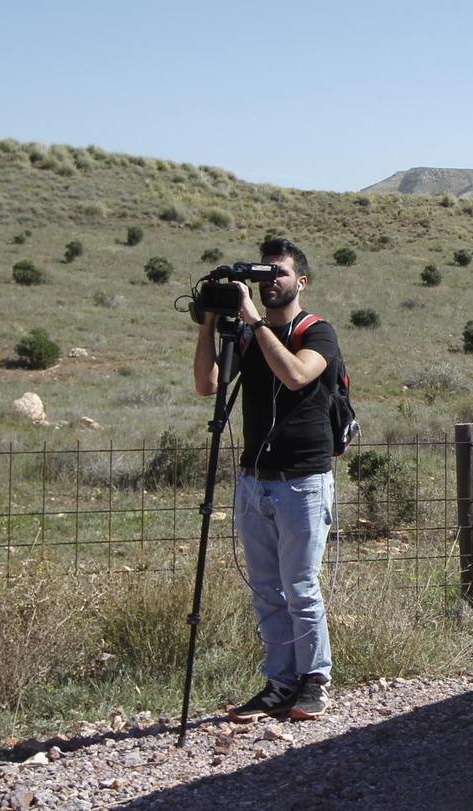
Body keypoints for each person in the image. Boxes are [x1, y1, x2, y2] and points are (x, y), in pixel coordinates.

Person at [194, 237, 339, 722]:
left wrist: (255, 322)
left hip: (304, 480)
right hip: (254, 479)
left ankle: (314, 680)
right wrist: (210, 323)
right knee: (264, 589)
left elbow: (297, 375)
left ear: (302, 282)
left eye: (280, 273)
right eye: (264, 273)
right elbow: (207, 385)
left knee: (300, 586)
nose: (270, 281)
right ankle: (279, 683)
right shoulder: (245, 336)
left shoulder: (318, 332)